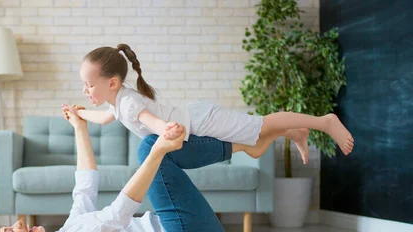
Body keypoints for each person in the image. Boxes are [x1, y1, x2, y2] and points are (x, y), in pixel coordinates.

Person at [0, 109, 242, 232]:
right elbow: (116, 216)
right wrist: (157, 153)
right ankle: (243, 144)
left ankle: (242, 145)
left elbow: (84, 187)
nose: (17, 224)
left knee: (152, 145)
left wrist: (79, 127)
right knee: (150, 147)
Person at [62, 44, 355, 165]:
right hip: (198, 123)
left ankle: (323, 122)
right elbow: (101, 119)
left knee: (261, 124)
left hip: (204, 121)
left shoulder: (126, 103)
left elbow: (152, 122)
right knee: (254, 148)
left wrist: (167, 128)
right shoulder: (118, 100)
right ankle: (295, 133)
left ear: (111, 83)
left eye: (88, 85)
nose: (85, 90)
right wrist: (79, 113)